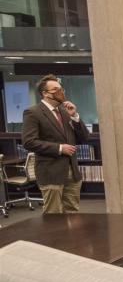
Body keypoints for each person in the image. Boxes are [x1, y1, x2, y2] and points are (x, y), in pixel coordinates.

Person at [21, 74, 89, 214]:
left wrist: (75, 117)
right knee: (53, 215)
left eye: (61, 89)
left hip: (72, 172)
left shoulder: (65, 112)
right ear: (45, 93)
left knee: (72, 212)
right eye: (56, 89)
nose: (61, 92)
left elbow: (83, 138)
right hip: (51, 172)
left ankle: (71, 237)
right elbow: (29, 142)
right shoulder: (33, 113)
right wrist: (59, 148)